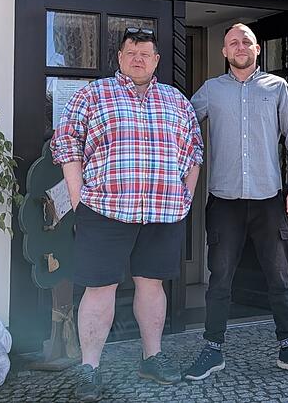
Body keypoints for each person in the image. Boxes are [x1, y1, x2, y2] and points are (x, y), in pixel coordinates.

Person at [51, 28, 203, 402]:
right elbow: (66, 141)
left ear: (156, 61)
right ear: (120, 58)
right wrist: (77, 198)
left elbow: (194, 150)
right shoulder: (94, 94)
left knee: (152, 285)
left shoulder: (176, 100)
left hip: (163, 212)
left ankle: (152, 358)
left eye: (146, 53)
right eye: (131, 52)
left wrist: (185, 198)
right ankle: (90, 368)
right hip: (104, 210)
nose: (138, 58)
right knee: (99, 288)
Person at [183, 23, 288, 380]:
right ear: (224, 52)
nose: (240, 46)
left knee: (279, 277)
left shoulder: (277, 88)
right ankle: (212, 350)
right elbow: (180, 127)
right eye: (233, 42)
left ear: (257, 50)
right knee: (220, 277)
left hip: (268, 200)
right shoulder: (211, 91)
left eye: (247, 41)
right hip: (224, 201)